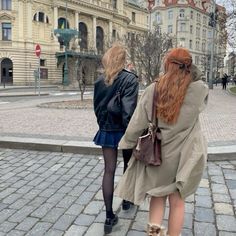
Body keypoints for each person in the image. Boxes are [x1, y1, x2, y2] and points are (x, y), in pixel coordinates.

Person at [115, 48, 208, 236]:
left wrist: (126, 142)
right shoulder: (200, 90)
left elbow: (137, 123)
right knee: (178, 202)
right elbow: (197, 79)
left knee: (157, 198)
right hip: (184, 157)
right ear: (189, 66)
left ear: (167, 64)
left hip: (159, 156)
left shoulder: (153, 90)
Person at [93, 43, 139, 234]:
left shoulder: (99, 82)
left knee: (108, 171)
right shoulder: (130, 80)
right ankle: (128, 201)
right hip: (124, 130)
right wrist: (134, 135)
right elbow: (129, 112)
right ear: (122, 60)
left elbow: (96, 108)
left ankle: (109, 216)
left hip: (107, 128)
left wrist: (104, 125)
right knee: (128, 167)